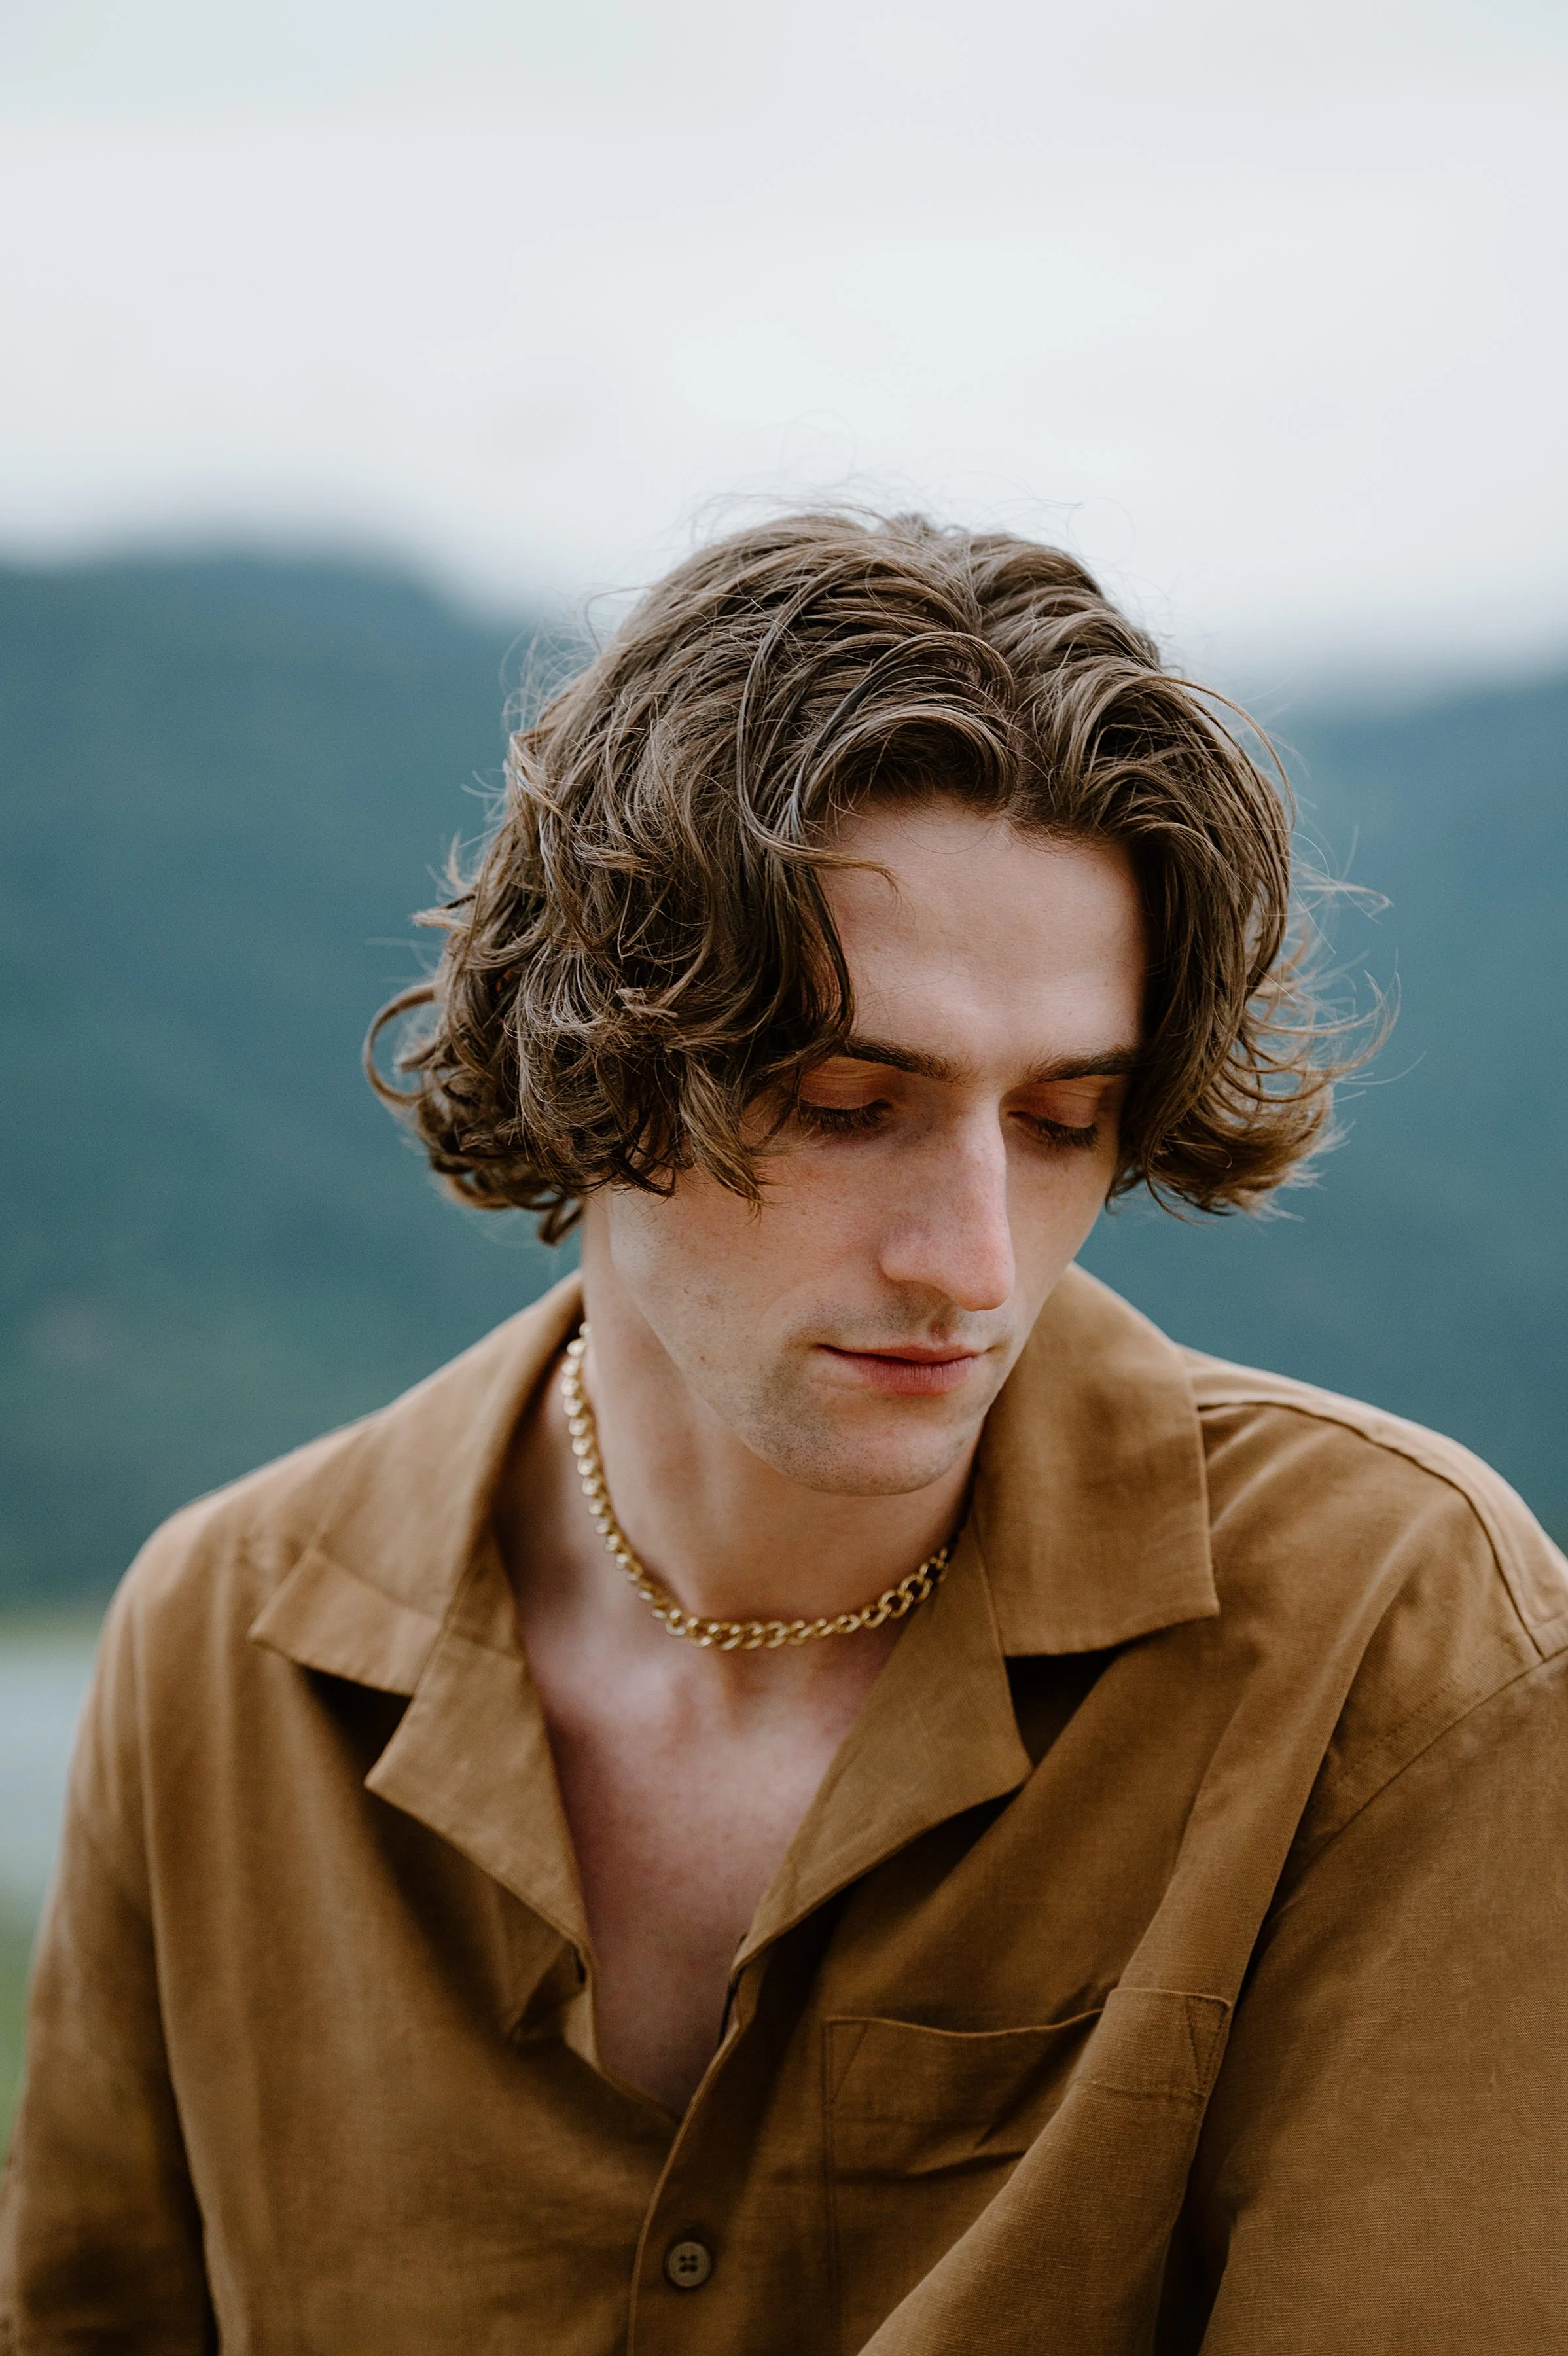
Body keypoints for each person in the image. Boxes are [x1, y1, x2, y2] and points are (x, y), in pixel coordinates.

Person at [3, 512, 1564, 2355]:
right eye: (844, 1103)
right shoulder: (222, 1640)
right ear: (592, 1058)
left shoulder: (1395, 1632)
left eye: (1065, 1119)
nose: (972, 1260)